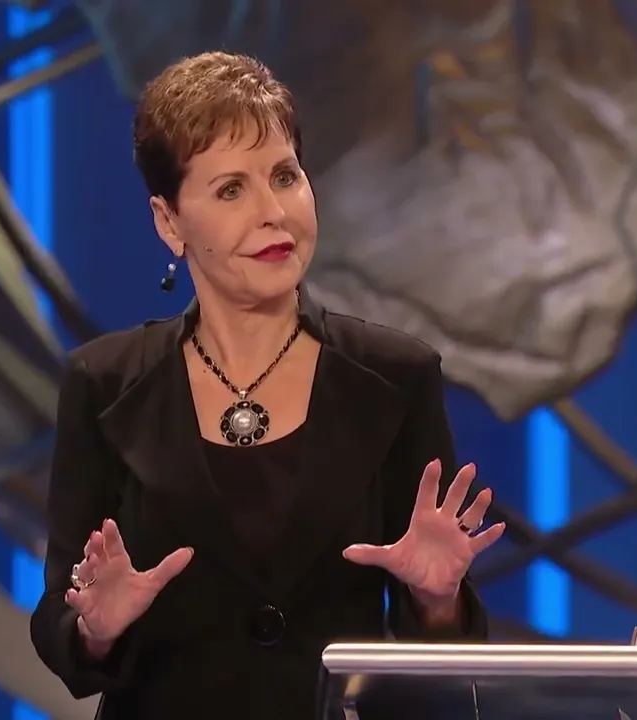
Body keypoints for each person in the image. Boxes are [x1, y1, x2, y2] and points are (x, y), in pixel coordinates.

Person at [29, 51, 506, 720]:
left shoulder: (395, 376)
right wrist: (95, 628)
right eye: (231, 190)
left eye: (285, 176)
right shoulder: (105, 385)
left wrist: (436, 600)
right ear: (169, 222)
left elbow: (442, 664)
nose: (273, 212)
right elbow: (60, 620)